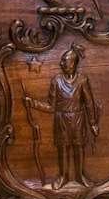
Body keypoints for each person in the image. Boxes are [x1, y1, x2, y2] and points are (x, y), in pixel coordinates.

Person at [25, 43, 100, 190]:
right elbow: (51, 107)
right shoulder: (56, 81)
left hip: (78, 118)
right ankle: (64, 177)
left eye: (64, 60)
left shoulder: (82, 80)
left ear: (72, 64)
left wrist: (93, 123)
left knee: (79, 148)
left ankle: (80, 176)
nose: (61, 63)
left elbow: (89, 103)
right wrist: (33, 104)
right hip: (61, 119)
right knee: (63, 149)